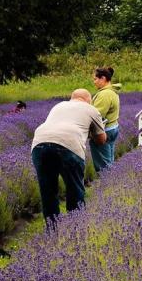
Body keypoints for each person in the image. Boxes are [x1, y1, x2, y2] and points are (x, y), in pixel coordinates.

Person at [31, 90, 106, 225]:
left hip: (39, 144)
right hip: (69, 145)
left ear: (72, 98)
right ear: (88, 100)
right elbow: (101, 140)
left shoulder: (58, 106)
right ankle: (75, 229)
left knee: (48, 191)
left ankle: (52, 231)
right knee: (74, 189)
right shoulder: (91, 109)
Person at [90, 66, 121, 171]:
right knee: (109, 161)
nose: (94, 82)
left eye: (95, 79)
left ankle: (107, 184)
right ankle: (111, 183)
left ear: (103, 78)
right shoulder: (112, 91)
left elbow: (96, 115)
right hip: (113, 127)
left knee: (104, 166)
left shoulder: (104, 94)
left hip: (104, 131)